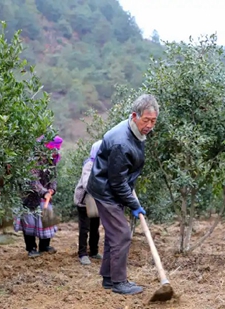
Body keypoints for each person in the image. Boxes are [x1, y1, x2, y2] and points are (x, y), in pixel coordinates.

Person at [86, 94, 159, 295]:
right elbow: (117, 182)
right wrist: (134, 204)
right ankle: (119, 282)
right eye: (146, 120)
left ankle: (109, 278)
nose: (150, 125)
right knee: (122, 234)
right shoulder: (122, 142)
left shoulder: (134, 131)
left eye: (153, 121)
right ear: (134, 116)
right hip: (106, 190)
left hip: (111, 186)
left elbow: (121, 176)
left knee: (114, 234)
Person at [14, 135, 63, 258]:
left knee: (47, 221)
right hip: (30, 197)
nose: (54, 151)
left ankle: (44, 246)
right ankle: (31, 248)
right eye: (53, 148)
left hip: (44, 196)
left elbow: (53, 177)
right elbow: (32, 180)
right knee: (29, 222)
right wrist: (44, 192)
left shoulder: (52, 159)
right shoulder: (33, 160)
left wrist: (52, 188)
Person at [73, 140, 103, 265]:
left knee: (95, 227)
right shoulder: (89, 165)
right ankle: (82, 254)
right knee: (84, 228)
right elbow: (86, 184)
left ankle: (94, 251)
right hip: (85, 200)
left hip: (96, 200)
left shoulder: (104, 165)